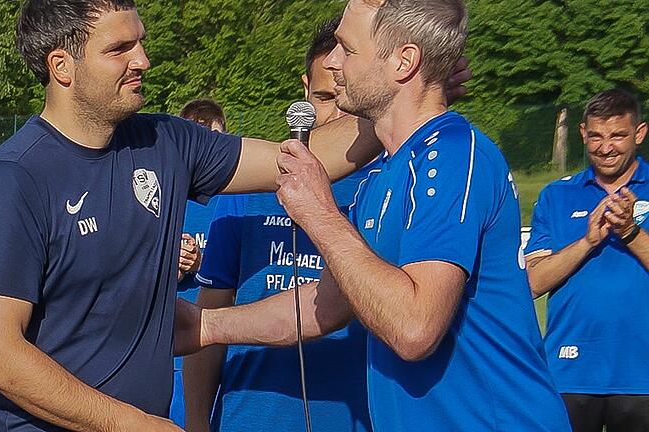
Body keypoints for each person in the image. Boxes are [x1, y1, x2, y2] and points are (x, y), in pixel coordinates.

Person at [0, 0, 399, 430]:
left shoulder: (167, 142)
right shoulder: (15, 177)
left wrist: (401, 93)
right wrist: (130, 424)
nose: (143, 60)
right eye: (120, 49)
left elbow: (310, 159)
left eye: (141, 43)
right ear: (62, 65)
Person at [182, 0, 572, 430]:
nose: (331, 62)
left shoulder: (454, 155)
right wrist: (207, 325)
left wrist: (320, 215)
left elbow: (414, 328)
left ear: (404, 62)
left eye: (347, 50)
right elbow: (324, 307)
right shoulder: (381, 176)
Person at [183, 18, 374, 432]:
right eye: (324, 97)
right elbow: (207, 320)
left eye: (346, 97)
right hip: (248, 416)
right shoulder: (251, 189)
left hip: (354, 415)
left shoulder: (389, 185)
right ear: (304, 89)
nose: (337, 113)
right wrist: (197, 422)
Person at [525, 89, 649, 432]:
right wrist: (588, 241)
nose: (605, 147)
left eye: (617, 136)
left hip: (643, 377)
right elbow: (533, 282)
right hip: (570, 373)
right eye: (596, 136)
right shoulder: (556, 195)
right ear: (582, 133)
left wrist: (630, 233)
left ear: (639, 133)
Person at [170, 98, 228, 428]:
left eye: (215, 139)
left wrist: (201, 262)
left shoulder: (234, 199)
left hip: (217, 344)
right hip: (172, 348)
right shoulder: (164, 196)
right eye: (199, 139)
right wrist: (170, 266)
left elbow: (237, 271)